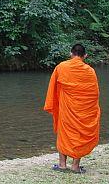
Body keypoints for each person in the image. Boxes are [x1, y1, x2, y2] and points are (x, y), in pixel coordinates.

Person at [43, 43, 100, 174]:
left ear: (71, 53)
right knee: (79, 134)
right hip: (83, 110)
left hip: (67, 108)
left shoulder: (61, 67)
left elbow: (52, 88)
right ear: (85, 56)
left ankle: (62, 165)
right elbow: (94, 94)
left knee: (64, 133)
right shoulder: (89, 71)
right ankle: (75, 166)